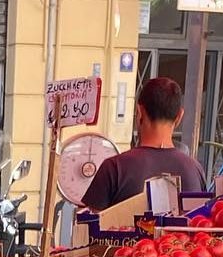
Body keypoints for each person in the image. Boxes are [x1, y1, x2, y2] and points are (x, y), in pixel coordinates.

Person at [81, 76, 207, 211]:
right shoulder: (195, 170)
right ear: (179, 116)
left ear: (139, 112)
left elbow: (88, 226)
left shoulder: (114, 168)